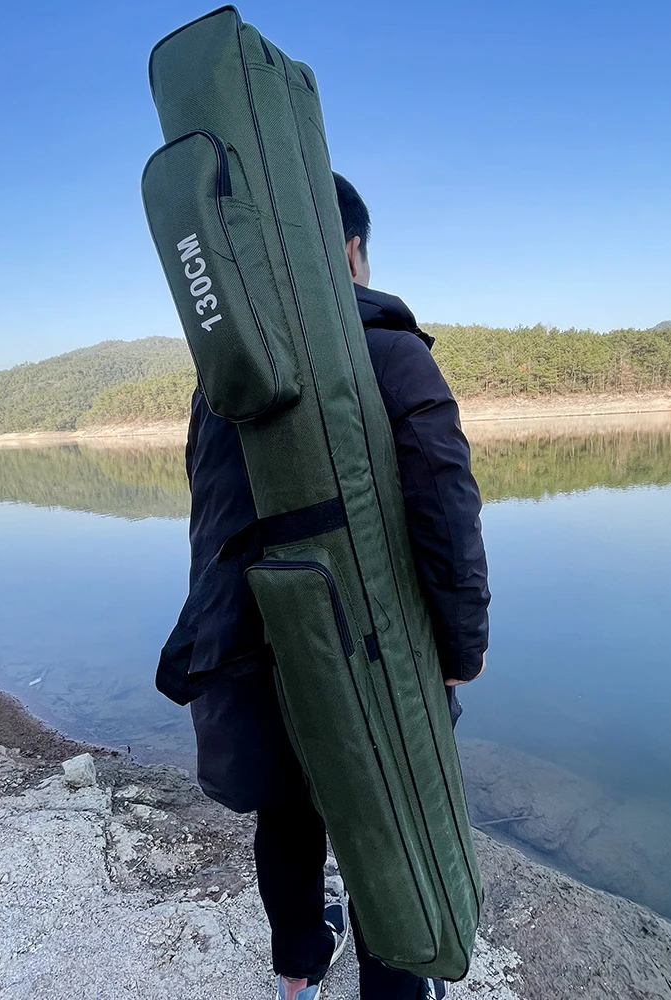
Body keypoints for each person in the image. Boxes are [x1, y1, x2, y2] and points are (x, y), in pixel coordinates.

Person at [178, 173, 490, 1000]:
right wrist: (462, 646)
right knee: (386, 811)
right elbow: (445, 508)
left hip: (247, 642)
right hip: (364, 651)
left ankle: (297, 973)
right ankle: (394, 984)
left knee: (287, 805)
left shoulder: (223, 379)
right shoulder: (390, 353)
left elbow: (211, 516)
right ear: (352, 251)